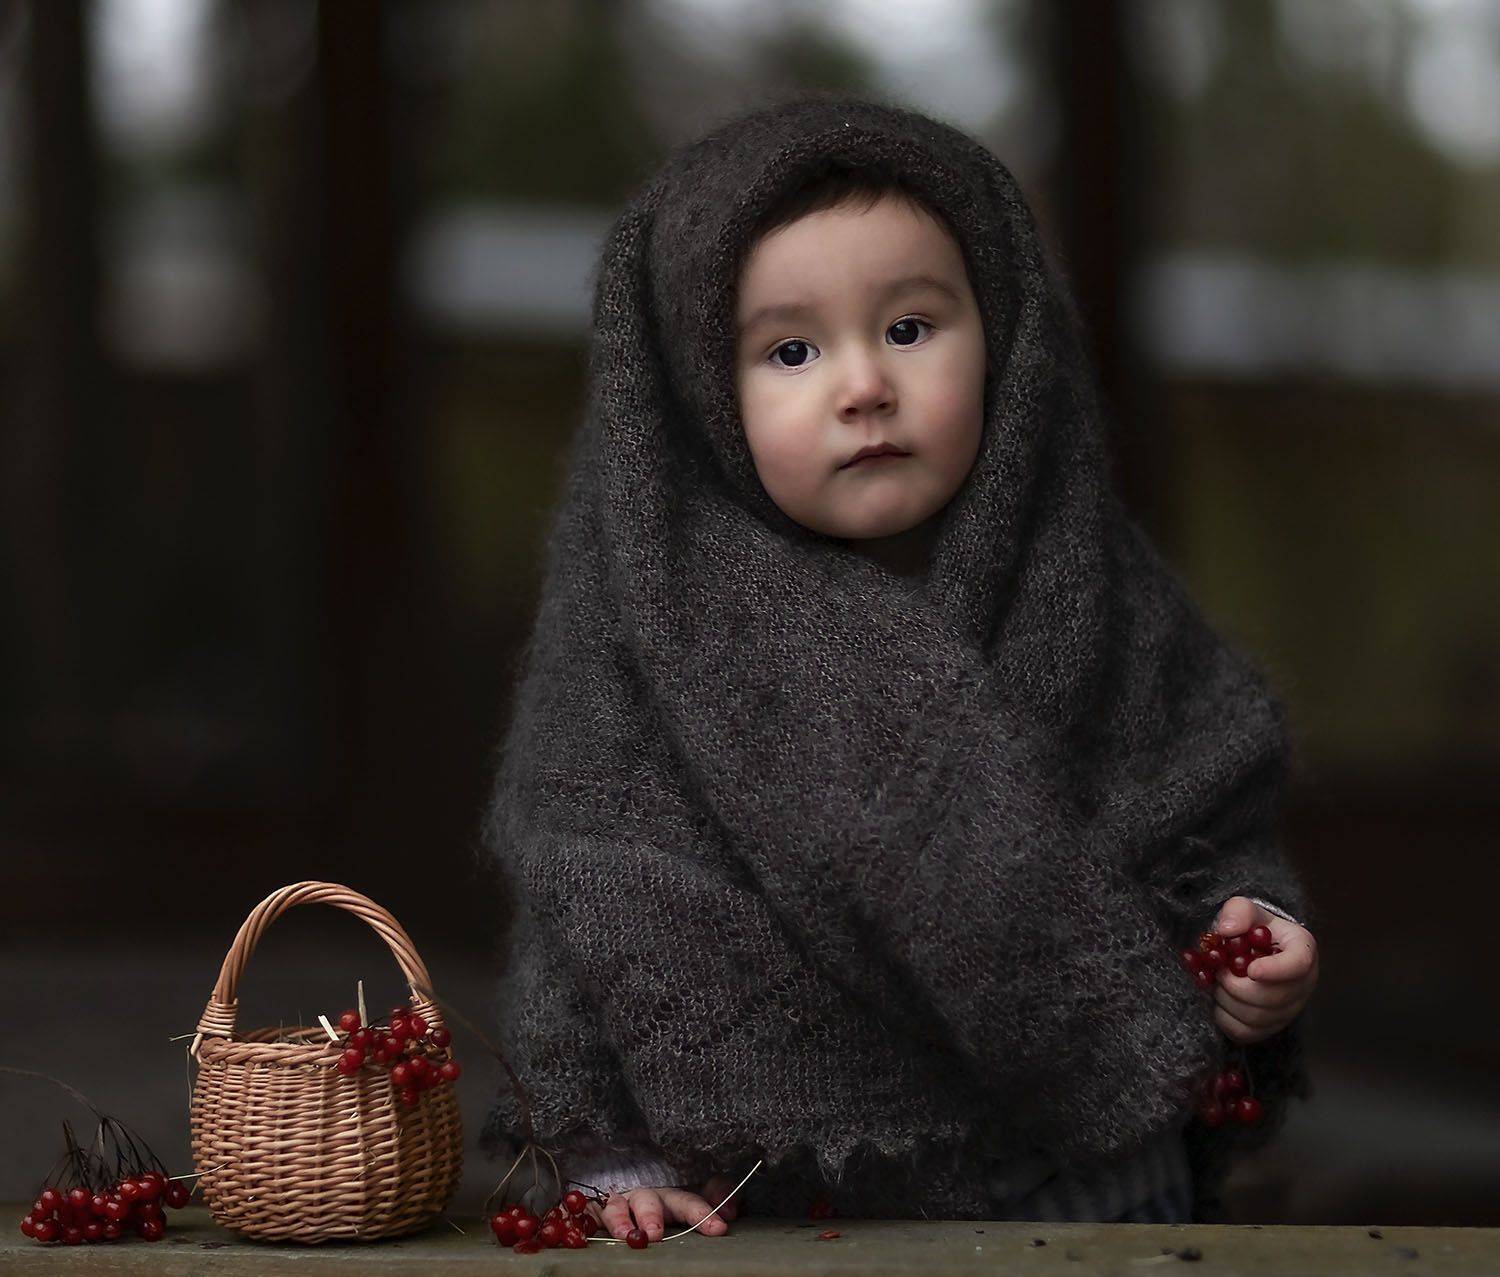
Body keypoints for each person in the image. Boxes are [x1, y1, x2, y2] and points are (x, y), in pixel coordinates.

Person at [478, 90, 1319, 1242]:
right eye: (790, 349)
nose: (863, 384)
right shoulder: (640, 651)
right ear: (692, 396)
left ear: (1009, 337)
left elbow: (1208, 824)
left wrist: (1257, 939)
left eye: (911, 328)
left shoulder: (1097, 594)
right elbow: (588, 915)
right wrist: (608, 1155)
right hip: (792, 1205)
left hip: (1103, 1188)